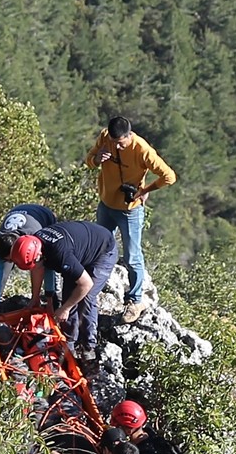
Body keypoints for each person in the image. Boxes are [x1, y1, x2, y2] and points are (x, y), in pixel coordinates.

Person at [85, 116, 176, 325]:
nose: (117, 145)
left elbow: (169, 176)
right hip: (106, 205)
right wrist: (97, 158)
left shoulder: (141, 149)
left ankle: (135, 300)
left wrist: (145, 190)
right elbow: (89, 161)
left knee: (132, 256)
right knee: (99, 248)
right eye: (114, 141)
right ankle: (91, 289)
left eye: (121, 142)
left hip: (130, 211)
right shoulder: (105, 138)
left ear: (129, 135)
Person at [10, 220, 117, 363]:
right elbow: (37, 268)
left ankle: (88, 347)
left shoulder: (59, 254)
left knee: (86, 298)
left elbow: (86, 284)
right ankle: (68, 344)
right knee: (69, 297)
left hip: (103, 250)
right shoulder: (35, 241)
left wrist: (65, 309)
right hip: (79, 249)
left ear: (37, 255)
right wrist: (35, 298)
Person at [0, 203, 58, 338]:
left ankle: (41, 299)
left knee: (41, 264)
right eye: (9, 260)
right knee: (2, 273)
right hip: (18, 213)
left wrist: (47, 300)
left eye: (12, 260)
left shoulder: (38, 237)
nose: (12, 264)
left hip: (44, 218)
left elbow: (47, 268)